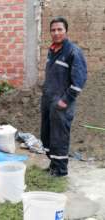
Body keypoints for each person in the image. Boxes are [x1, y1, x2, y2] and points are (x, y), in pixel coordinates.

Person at [41, 17, 87, 177]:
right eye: (53, 30)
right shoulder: (52, 50)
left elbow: (79, 81)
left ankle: (60, 171)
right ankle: (53, 164)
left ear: (66, 31)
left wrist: (65, 100)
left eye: (60, 29)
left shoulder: (73, 52)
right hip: (48, 101)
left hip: (62, 103)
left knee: (59, 137)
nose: (56, 33)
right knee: (46, 135)